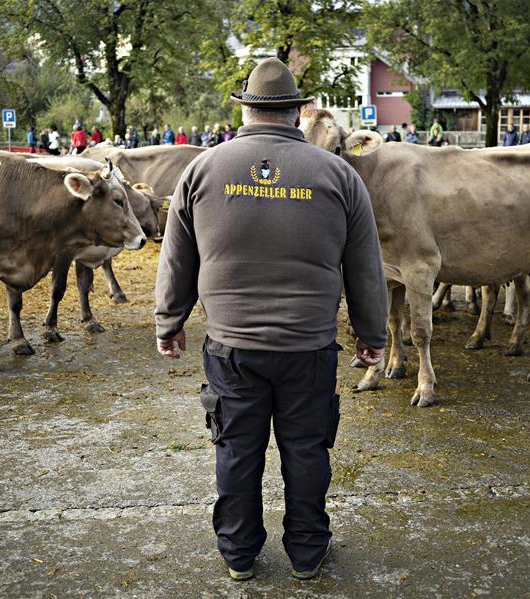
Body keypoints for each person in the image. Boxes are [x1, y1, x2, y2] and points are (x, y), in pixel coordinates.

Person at [154, 57, 387, 583]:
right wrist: (372, 337)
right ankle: (307, 553)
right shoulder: (339, 176)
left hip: (232, 347)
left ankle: (238, 554)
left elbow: (176, 260)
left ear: (247, 108)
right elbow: (366, 269)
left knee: (237, 450)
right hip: (309, 347)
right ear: (296, 111)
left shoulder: (202, 171)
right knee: (306, 450)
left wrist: (169, 322)